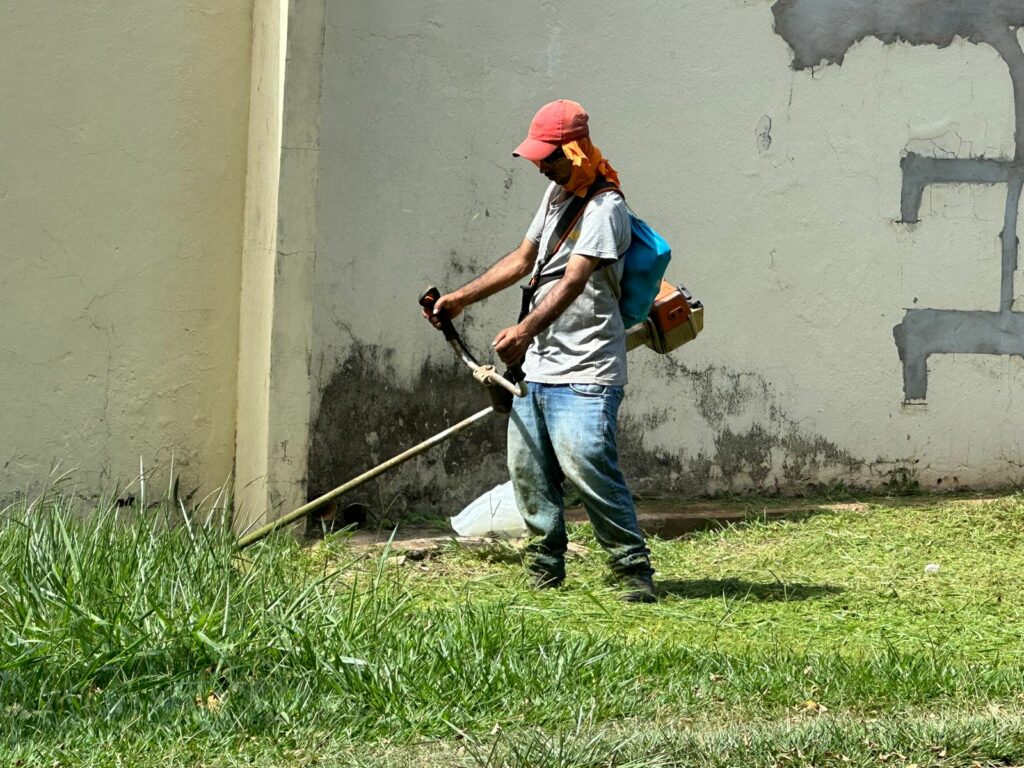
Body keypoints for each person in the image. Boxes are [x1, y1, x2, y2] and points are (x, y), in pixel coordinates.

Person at [427, 99, 655, 602]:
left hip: (587, 366)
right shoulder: (557, 195)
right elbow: (525, 258)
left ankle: (632, 569)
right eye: (537, 158)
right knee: (529, 472)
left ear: (574, 151)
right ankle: (544, 569)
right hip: (540, 368)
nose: (539, 166)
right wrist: (459, 300)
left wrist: (525, 329)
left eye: (548, 158)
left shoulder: (605, 208)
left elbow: (574, 281)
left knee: (588, 462)